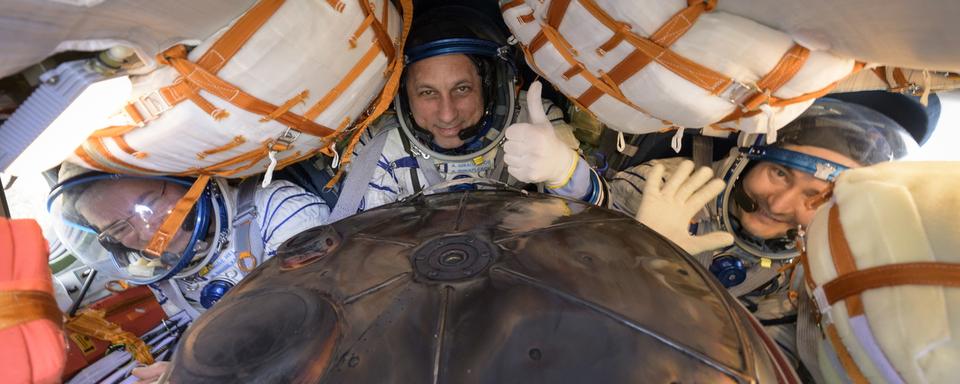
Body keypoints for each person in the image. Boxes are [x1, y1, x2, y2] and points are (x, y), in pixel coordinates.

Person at [609, 97, 917, 371]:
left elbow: (761, 368)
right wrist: (641, 247)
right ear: (749, 161)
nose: (780, 204)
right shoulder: (664, 188)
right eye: (780, 173)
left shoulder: (807, 279)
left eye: (816, 196)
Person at [46, 162, 330, 382]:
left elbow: (312, 328)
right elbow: (225, 338)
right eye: (119, 229)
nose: (147, 231)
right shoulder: (165, 278)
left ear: (184, 180)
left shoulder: (278, 209)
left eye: (150, 204)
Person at [328, 5, 606, 221]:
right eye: (427, 93)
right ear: (403, 95)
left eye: (462, 89)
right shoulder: (381, 148)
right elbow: (366, 255)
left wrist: (566, 171)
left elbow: (600, 228)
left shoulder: (533, 123)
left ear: (489, 86)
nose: (447, 114)